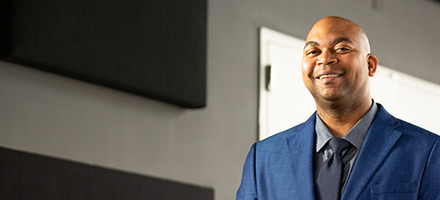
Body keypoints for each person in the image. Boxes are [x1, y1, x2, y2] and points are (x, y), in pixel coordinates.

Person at [236, 16, 440, 200]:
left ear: (370, 65)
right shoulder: (264, 158)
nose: (324, 58)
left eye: (341, 48)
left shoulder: (428, 152)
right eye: (313, 51)